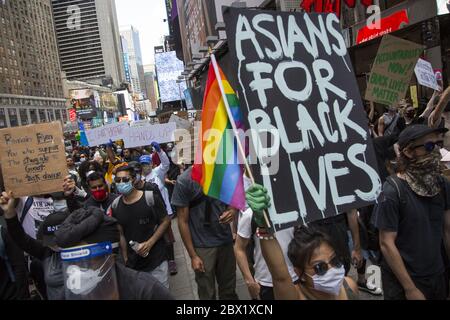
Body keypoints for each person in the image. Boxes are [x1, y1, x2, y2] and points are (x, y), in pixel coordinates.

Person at [0, 194, 173, 300]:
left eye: (84, 259)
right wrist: (10, 214)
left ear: (109, 257)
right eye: (71, 260)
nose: (75, 269)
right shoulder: (77, 291)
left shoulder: (143, 289)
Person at [372, 124, 450, 300]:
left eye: (439, 144)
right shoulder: (392, 191)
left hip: (436, 275)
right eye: (429, 146)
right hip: (405, 281)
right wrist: (410, 288)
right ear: (408, 152)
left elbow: (447, 229)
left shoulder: (442, 185)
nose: (436, 151)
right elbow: (386, 243)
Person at [245, 184, 359, 300]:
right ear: (300, 273)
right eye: (320, 267)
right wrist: (265, 226)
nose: (332, 269)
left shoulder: (349, 285)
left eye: (335, 261)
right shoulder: (295, 297)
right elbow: (280, 277)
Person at [171, 166, 239, 300]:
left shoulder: (224, 172)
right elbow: (182, 221)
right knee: (207, 292)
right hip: (202, 246)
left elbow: (233, 199)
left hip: (225, 241)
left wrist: (232, 211)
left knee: (229, 289)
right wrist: (193, 256)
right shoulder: (185, 180)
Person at [109, 166, 171, 289]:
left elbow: (165, 221)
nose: (121, 183)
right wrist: (126, 258)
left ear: (133, 179)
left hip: (156, 260)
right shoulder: (115, 206)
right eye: (118, 180)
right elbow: (121, 234)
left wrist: (150, 243)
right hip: (134, 265)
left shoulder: (150, 198)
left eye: (125, 179)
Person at [234, 206, 299, 300]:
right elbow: (239, 248)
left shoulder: (294, 208)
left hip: (295, 278)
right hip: (265, 283)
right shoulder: (250, 214)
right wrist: (249, 281)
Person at [140, 142, 173, 216]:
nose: (146, 166)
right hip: (150, 213)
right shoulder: (138, 179)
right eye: (143, 164)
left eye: (147, 163)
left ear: (151, 163)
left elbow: (166, 164)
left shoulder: (157, 172)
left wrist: (160, 152)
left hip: (165, 210)